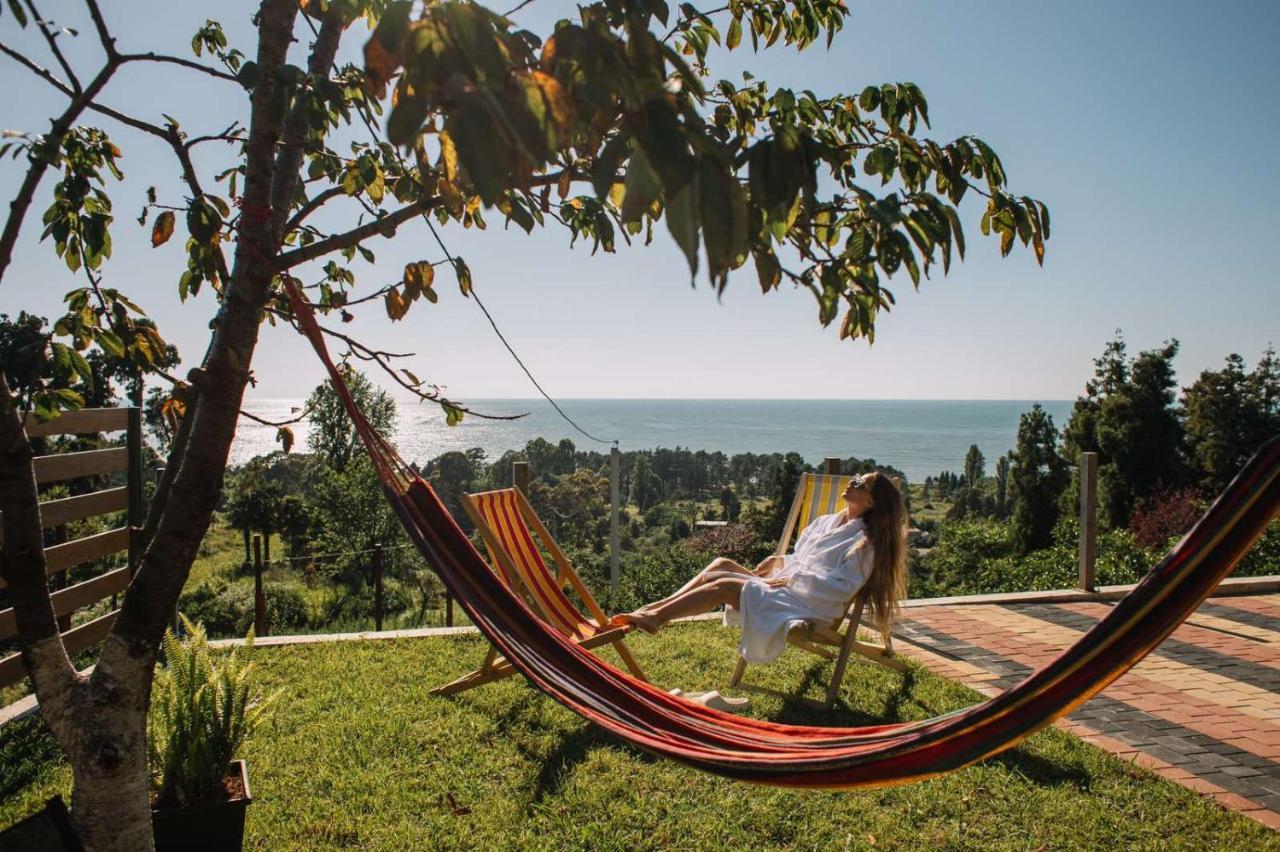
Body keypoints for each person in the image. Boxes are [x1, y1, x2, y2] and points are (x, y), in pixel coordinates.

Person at [611, 472, 908, 665]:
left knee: (726, 585)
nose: (852, 482)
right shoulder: (825, 522)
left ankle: (656, 618)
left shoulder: (864, 543)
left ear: (871, 501)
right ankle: (654, 608)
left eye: (860, 483)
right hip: (786, 587)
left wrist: (795, 577)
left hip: (809, 605)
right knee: (721, 565)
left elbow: (842, 588)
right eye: (854, 478)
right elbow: (802, 557)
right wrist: (780, 562)